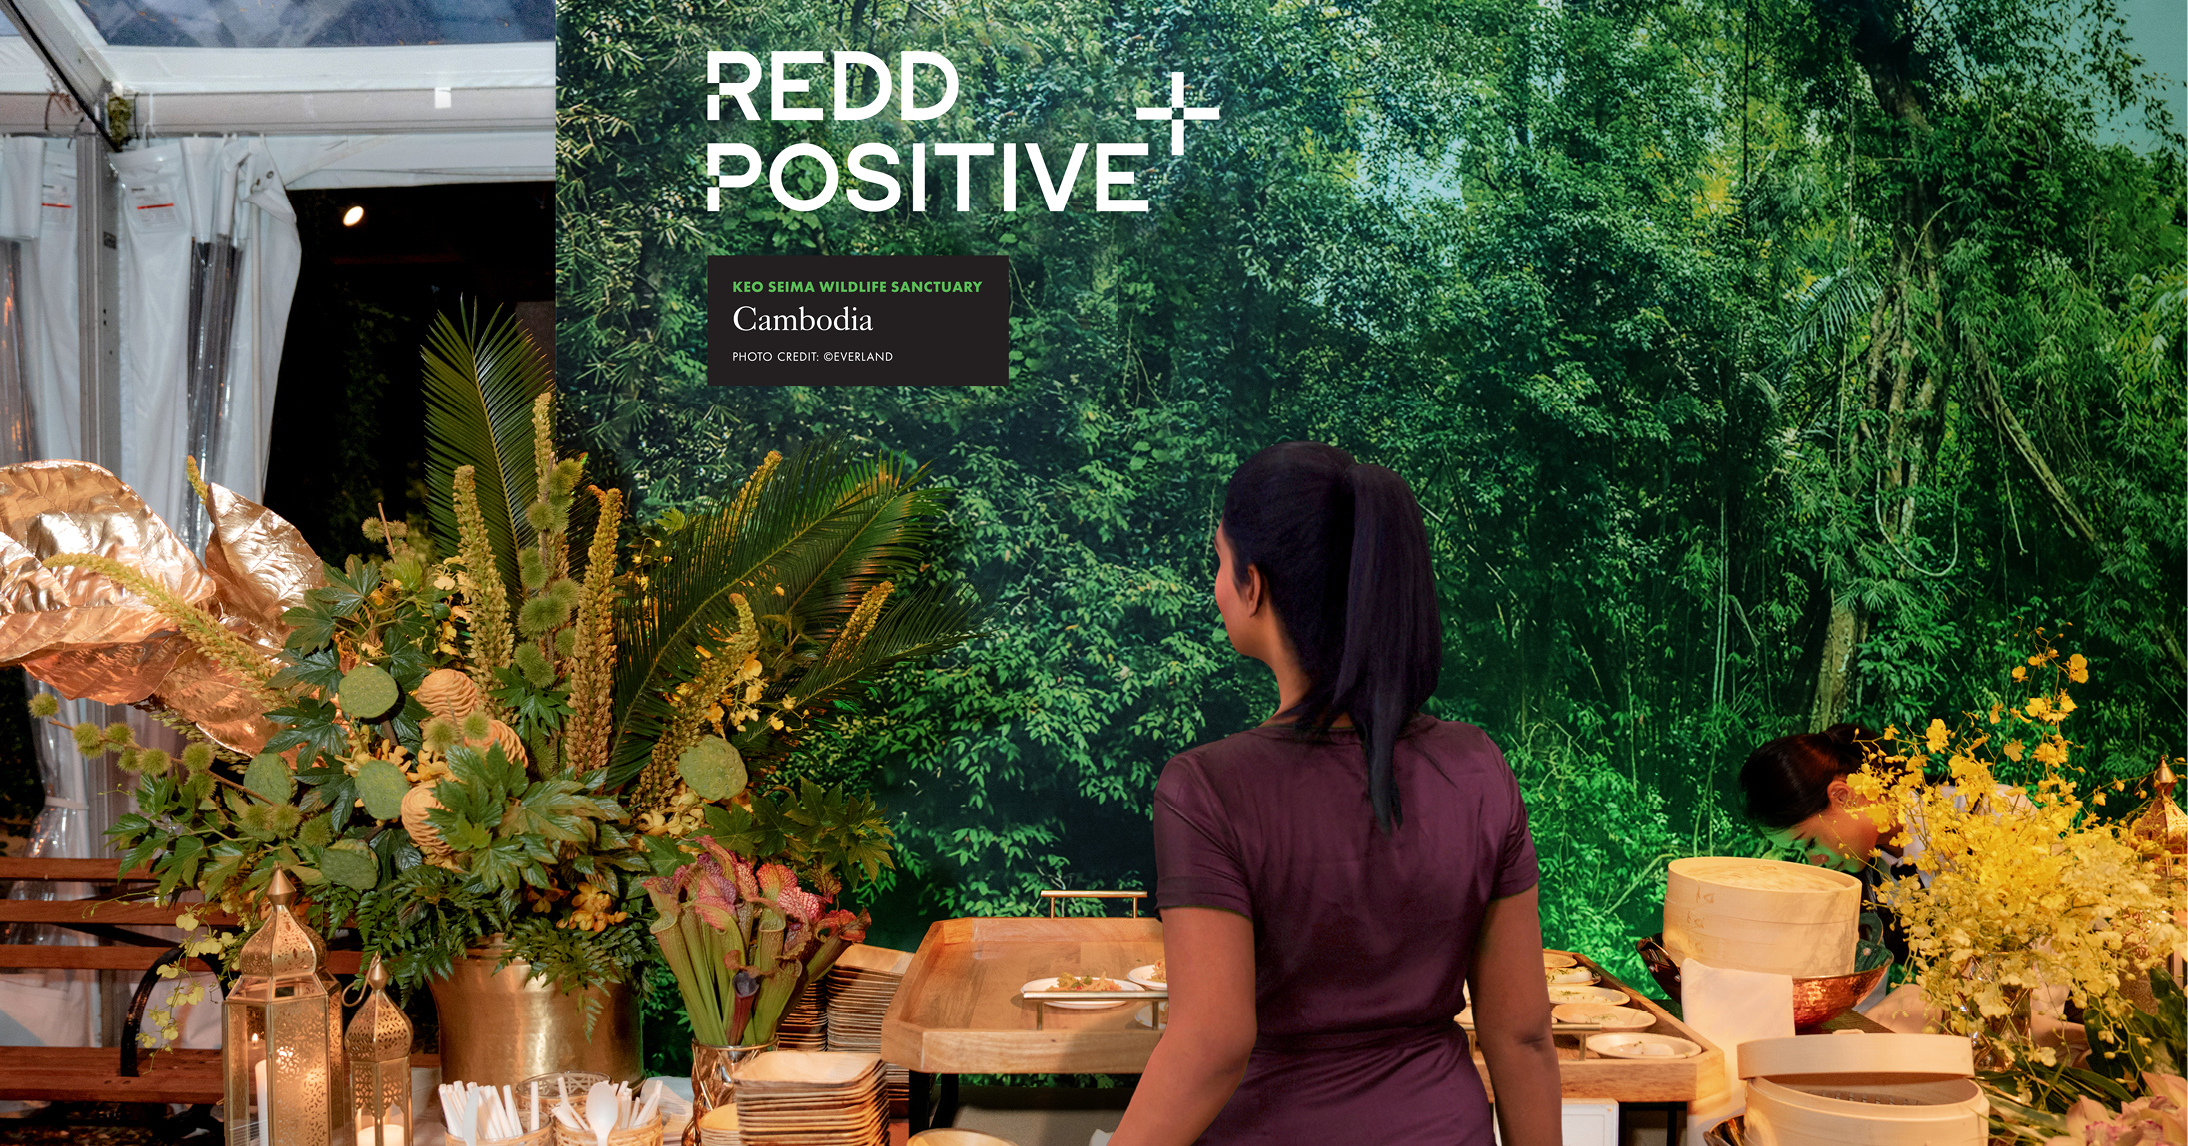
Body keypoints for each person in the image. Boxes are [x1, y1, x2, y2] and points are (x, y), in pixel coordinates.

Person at [1107, 442, 1561, 1146]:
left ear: (1253, 586)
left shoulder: (1207, 789)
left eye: (1220, 562)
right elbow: (1524, 1032)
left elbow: (1210, 1045)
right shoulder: (1478, 768)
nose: (1217, 585)